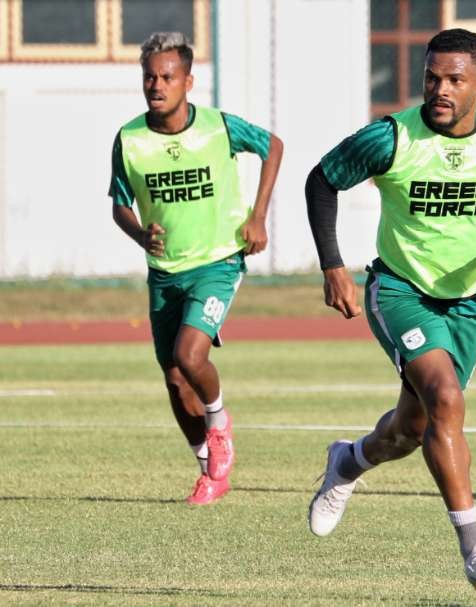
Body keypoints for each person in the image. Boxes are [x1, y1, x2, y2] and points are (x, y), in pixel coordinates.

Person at [304, 28, 476, 590]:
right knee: (447, 399)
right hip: (399, 290)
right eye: (431, 78)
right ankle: (475, 546)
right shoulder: (392, 137)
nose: (440, 89)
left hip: (470, 303)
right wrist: (333, 265)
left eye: (454, 80)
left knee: (412, 429)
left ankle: (348, 461)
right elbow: (322, 180)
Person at [108, 32, 283, 505]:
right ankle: (209, 467)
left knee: (190, 354)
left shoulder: (218, 127)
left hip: (218, 262)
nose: (156, 85)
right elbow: (119, 206)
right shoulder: (129, 140)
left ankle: (220, 422)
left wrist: (258, 215)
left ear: (188, 80)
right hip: (165, 271)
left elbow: (273, 146)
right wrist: (141, 234)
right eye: (149, 76)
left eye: (167, 76)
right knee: (173, 377)